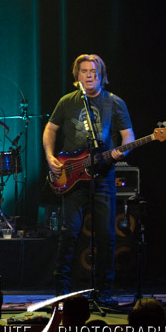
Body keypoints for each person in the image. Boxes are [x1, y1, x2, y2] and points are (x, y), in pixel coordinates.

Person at [44, 53, 133, 303]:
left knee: (106, 235)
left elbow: (128, 136)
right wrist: (50, 156)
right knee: (70, 231)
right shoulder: (67, 102)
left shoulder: (114, 102)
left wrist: (122, 152)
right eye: (84, 71)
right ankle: (61, 291)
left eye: (93, 71)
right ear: (77, 76)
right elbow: (50, 129)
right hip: (72, 175)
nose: (89, 75)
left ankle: (104, 292)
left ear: (101, 75)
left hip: (103, 175)